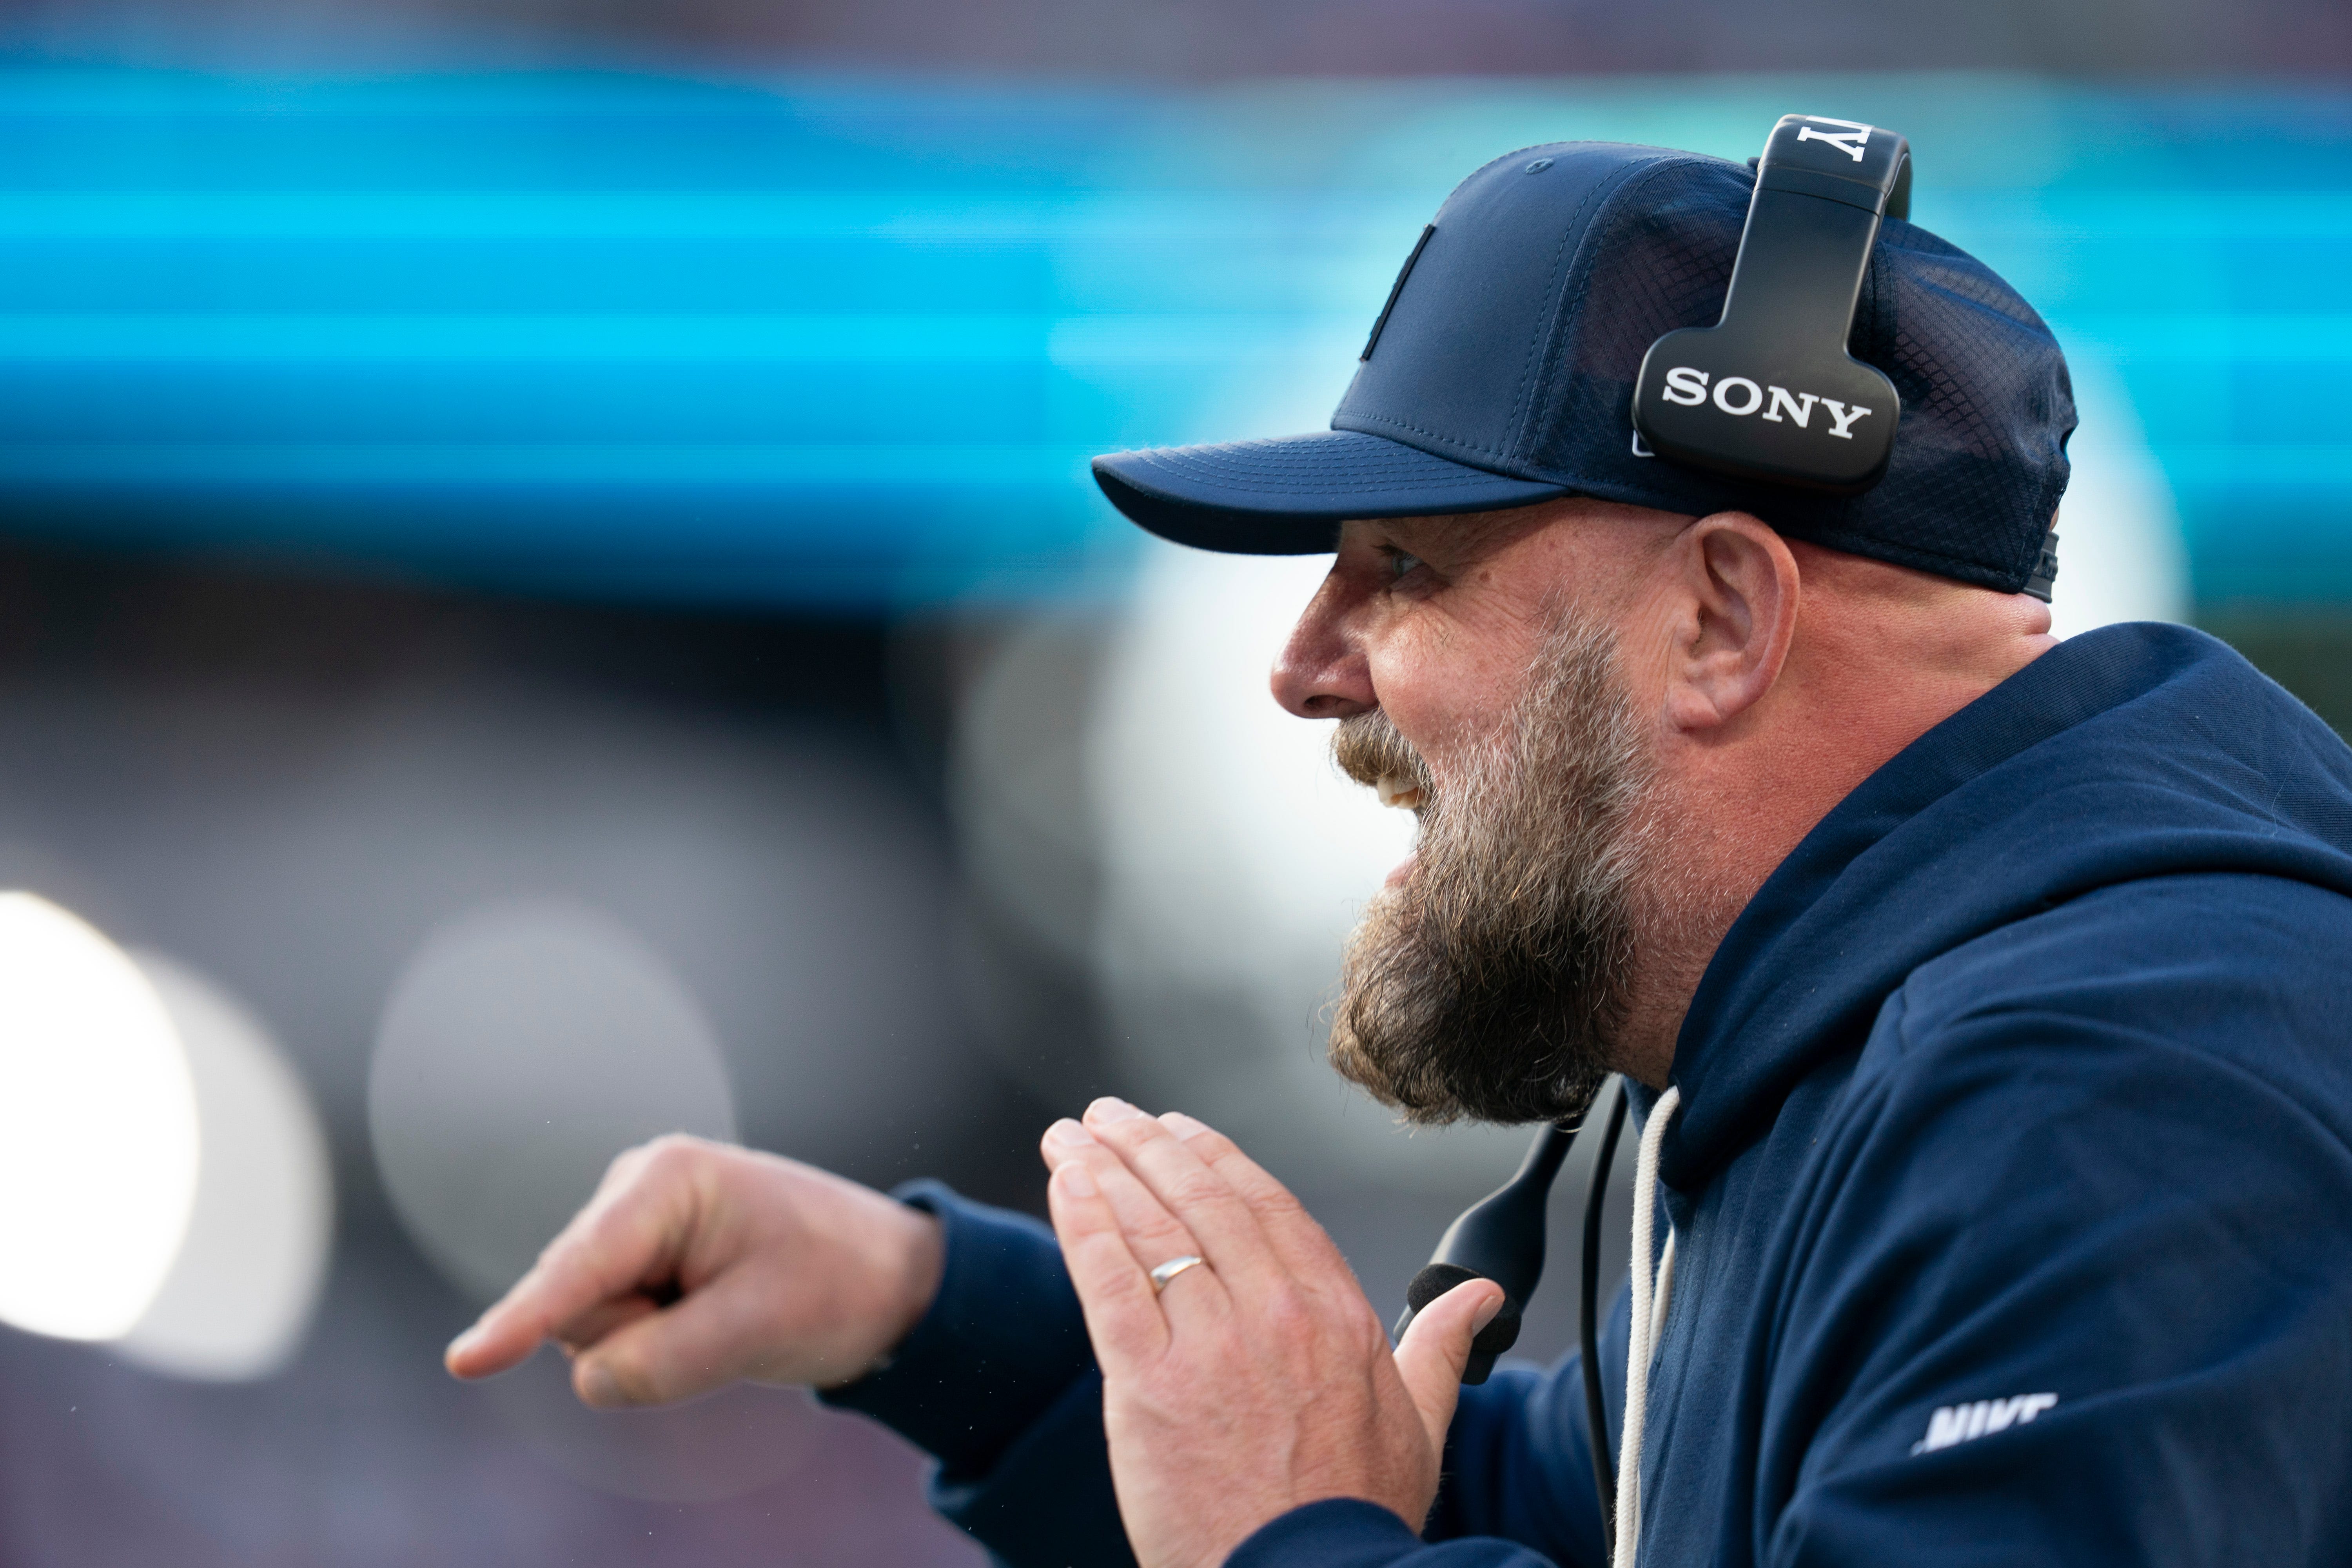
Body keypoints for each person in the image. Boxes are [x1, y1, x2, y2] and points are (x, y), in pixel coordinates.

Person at [444, 136, 2352, 1567]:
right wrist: (922, 1311)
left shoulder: (2117, 1080)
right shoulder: (1908, 1053)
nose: (1302, 668)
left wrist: (1299, 1550)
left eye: (1405, 570)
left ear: (1722, 620)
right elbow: (1536, 1502)